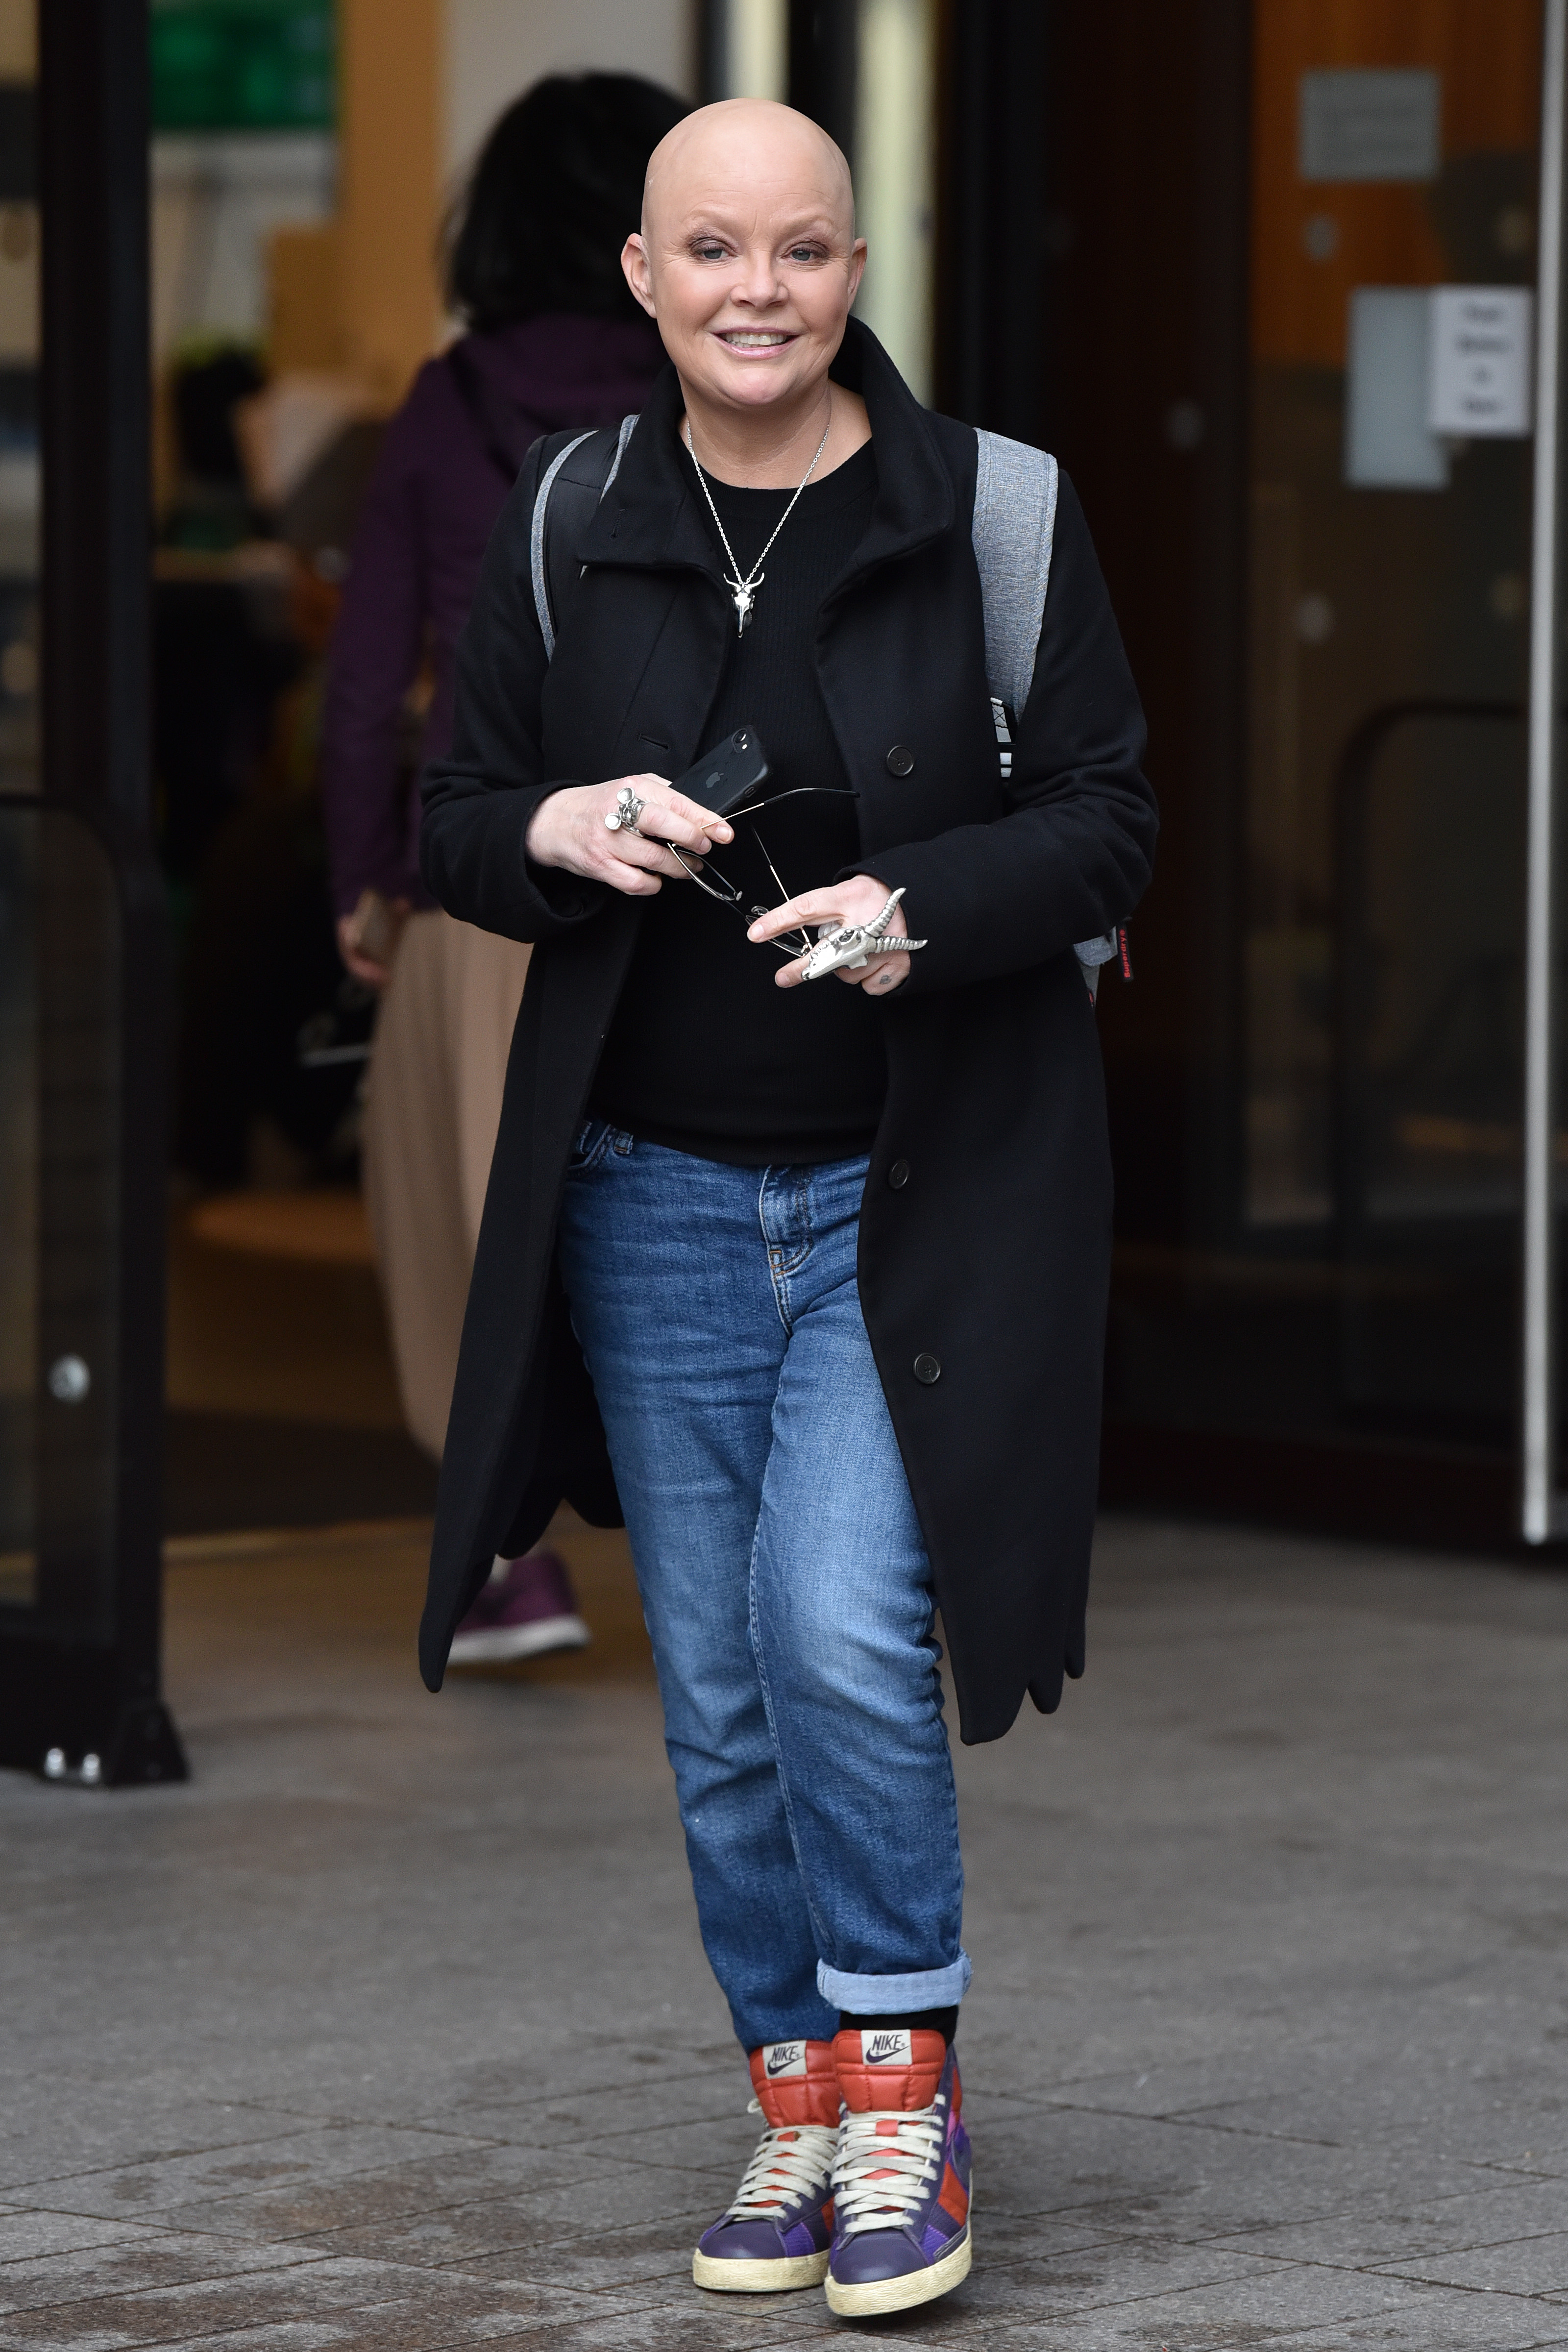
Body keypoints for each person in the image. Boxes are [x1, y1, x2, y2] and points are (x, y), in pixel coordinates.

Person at [418, 99, 1157, 2316]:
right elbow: (454, 817)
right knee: (722, 1684)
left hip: (907, 1191)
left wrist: (917, 905)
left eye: (803, 250)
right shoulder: (566, 515)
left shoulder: (995, 512)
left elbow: (1109, 826)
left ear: (856, 272)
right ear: (638, 278)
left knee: (836, 1623)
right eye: (712, 250)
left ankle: (903, 2089)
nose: (759, 289)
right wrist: (561, 827)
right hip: (641, 1190)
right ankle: (796, 2100)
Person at [319, 73, 686, 1661]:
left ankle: (507, 1561)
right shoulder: (728, 390)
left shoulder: (450, 400)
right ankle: (725, 1560)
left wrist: (365, 884)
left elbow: (362, 686)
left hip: (495, 871)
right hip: (698, 871)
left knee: (473, 1221)